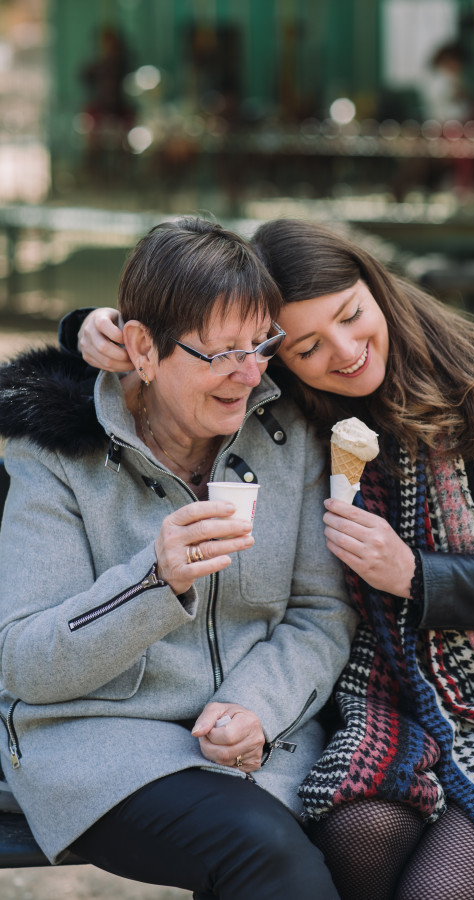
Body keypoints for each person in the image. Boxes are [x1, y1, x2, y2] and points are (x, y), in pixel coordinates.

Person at [62, 217, 474, 900]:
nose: (345, 352)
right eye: (309, 345)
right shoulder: (281, 409)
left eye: (351, 316)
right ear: (275, 357)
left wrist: (415, 576)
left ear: (375, 285)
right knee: (358, 835)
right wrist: (82, 330)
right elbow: (177, 340)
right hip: (370, 699)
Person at [0, 218, 359, 900]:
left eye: (259, 346)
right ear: (142, 348)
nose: (249, 375)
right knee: (267, 855)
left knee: (372, 838)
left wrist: (256, 706)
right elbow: (23, 659)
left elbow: (320, 611)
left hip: (259, 741)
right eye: (221, 354)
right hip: (100, 745)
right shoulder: (57, 453)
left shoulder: (287, 437)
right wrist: (152, 581)